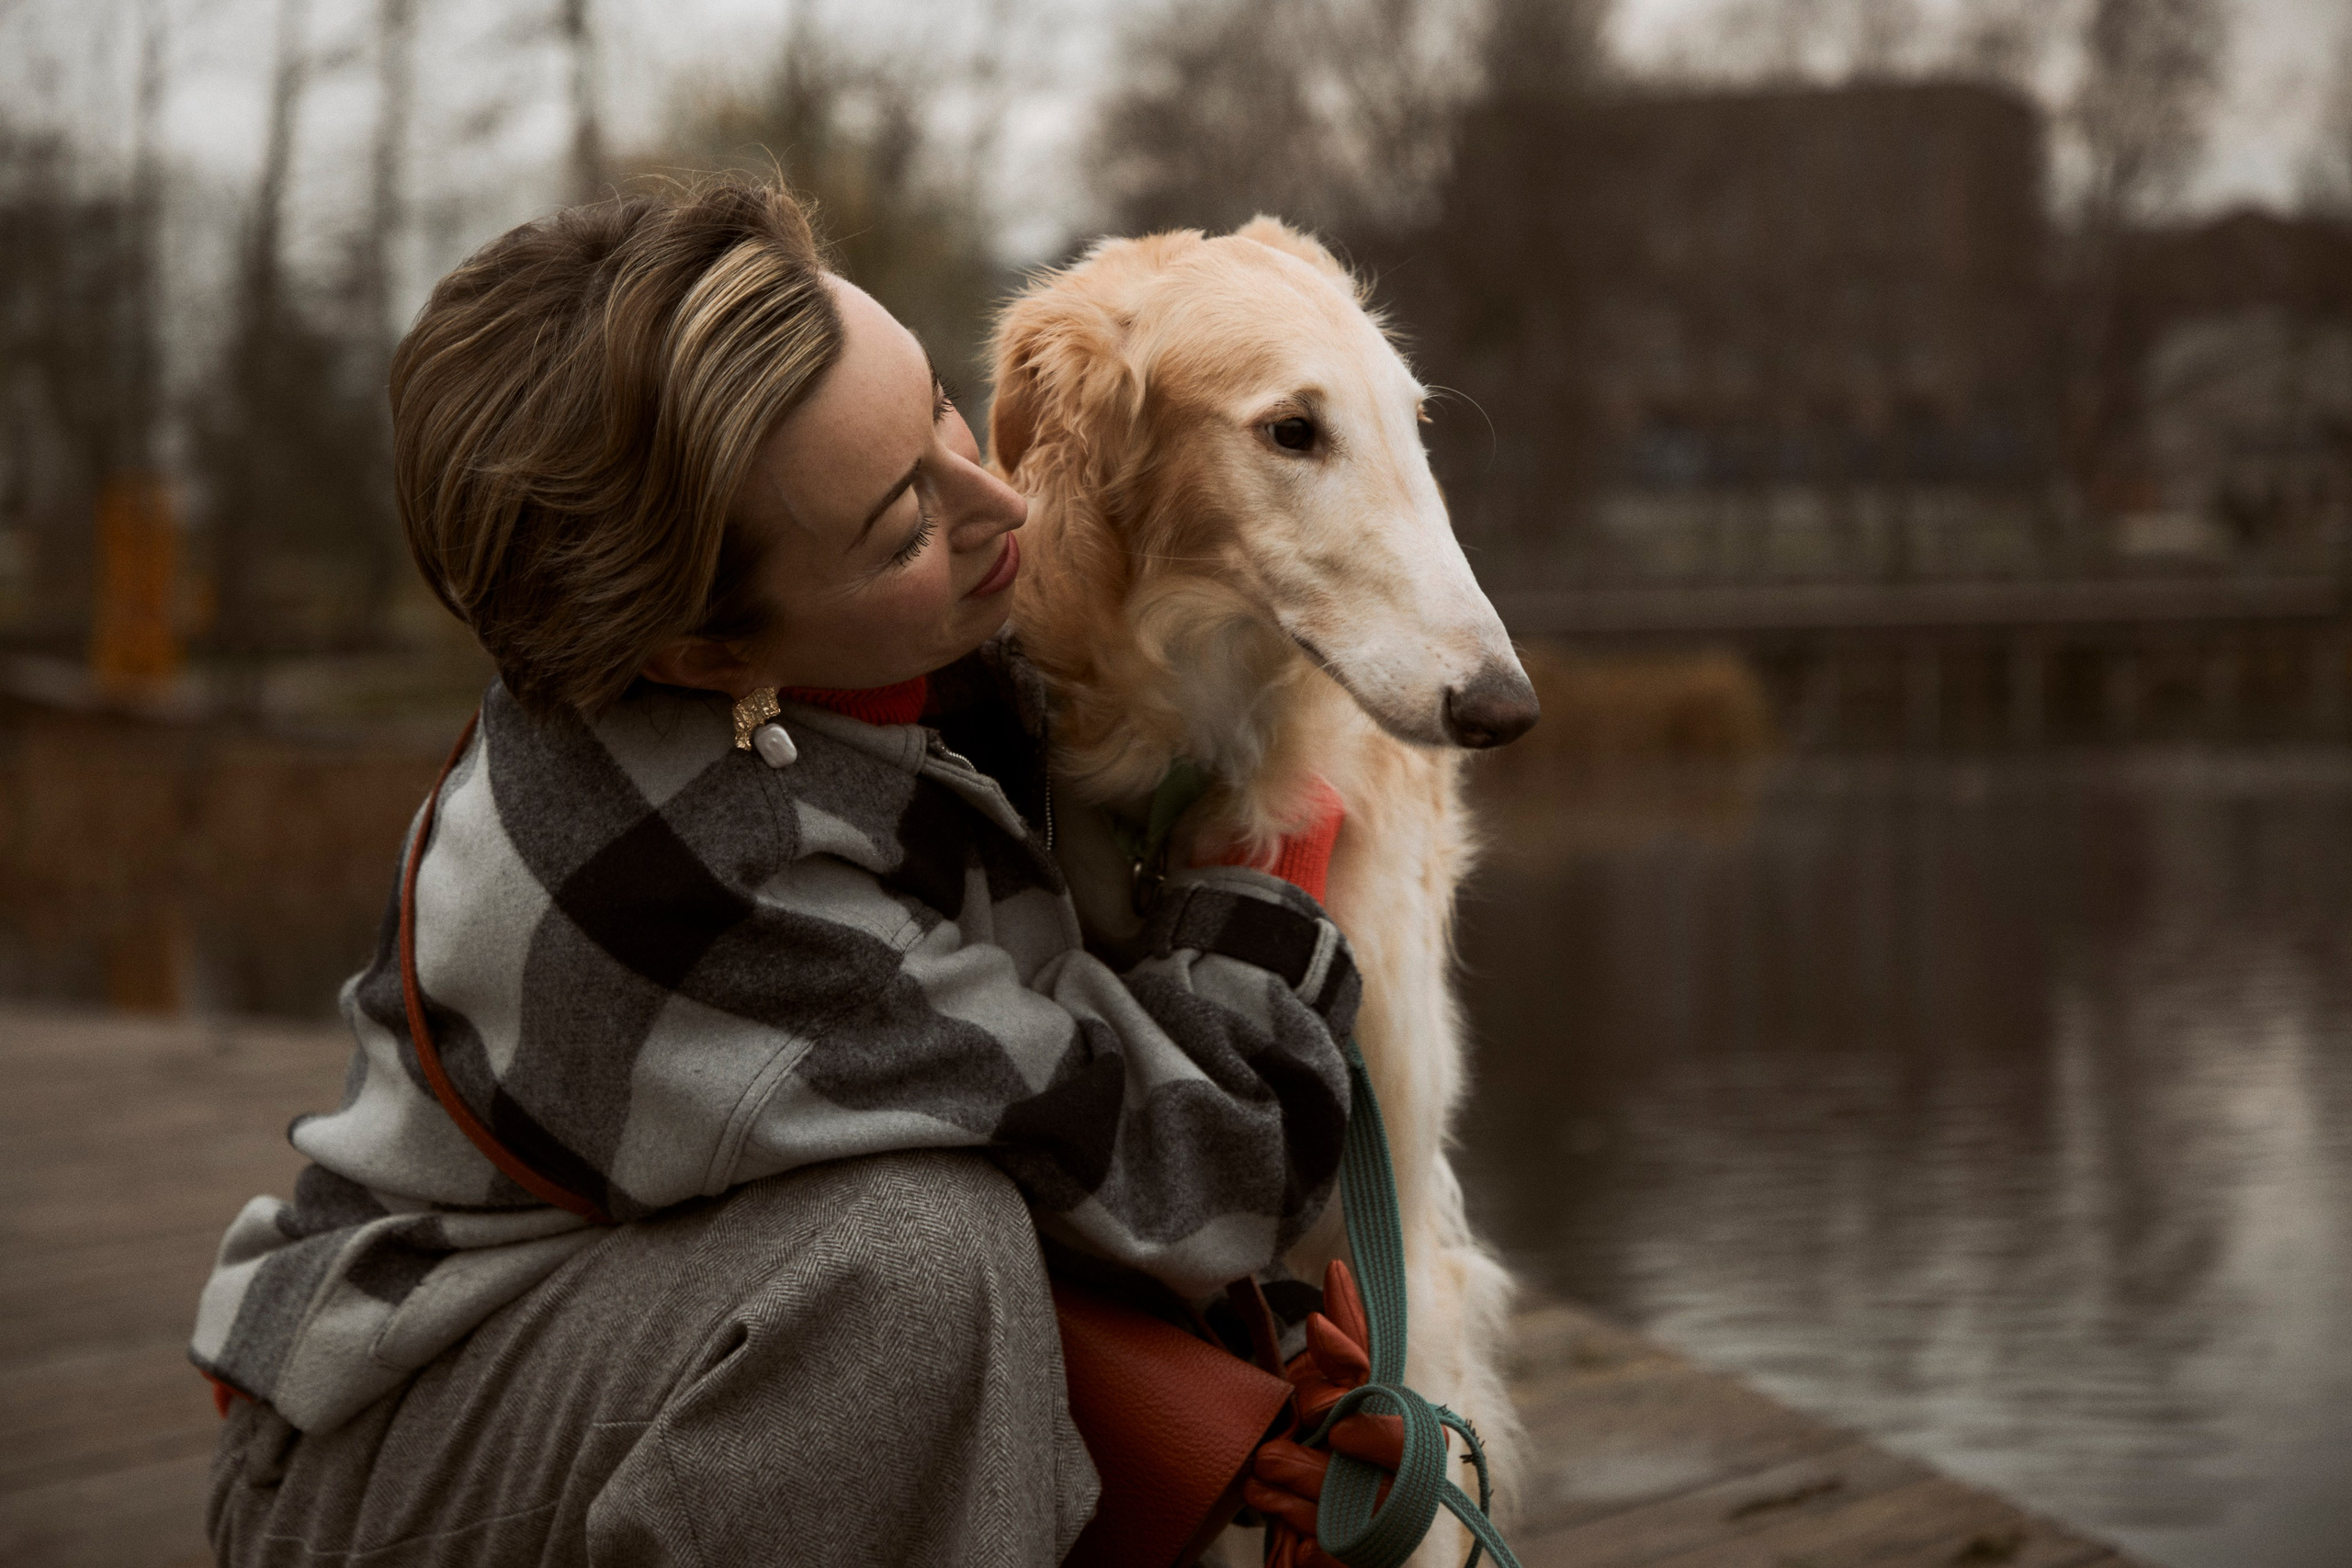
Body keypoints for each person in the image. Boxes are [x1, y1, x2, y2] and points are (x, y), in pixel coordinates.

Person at [190, 175, 1363, 1566]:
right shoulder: (686, 874)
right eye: (903, 529)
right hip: (384, 1469)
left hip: (655, 1343)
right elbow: (1200, 1178)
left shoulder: (882, 659)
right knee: (916, 1266)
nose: (1003, 503)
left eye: (934, 401)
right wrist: (1268, 868)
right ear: (703, 657)